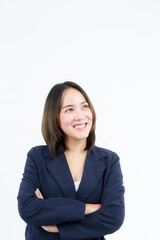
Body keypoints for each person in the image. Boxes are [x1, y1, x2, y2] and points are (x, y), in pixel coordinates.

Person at [17, 81, 125, 240]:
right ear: (54, 116)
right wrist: (87, 208)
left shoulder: (109, 160)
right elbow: (27, 208)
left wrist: (57, 226)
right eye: (69, 109)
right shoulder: (37, 156)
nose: (80, 116)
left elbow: (114, 217)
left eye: (84, 106)